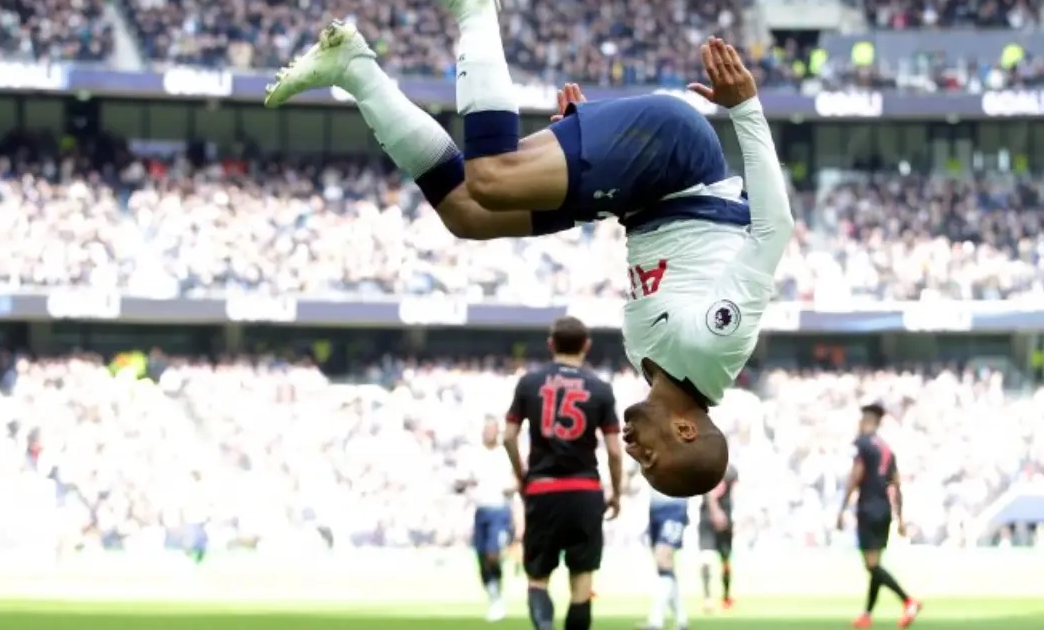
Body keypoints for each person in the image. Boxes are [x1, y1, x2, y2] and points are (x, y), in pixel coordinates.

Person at [264, 7, 794, 498]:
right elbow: (773, 229)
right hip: (675, 157)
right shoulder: (714, 345)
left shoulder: (650, 365)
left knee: (467, 213)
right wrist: (745, 107)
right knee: (494, 177)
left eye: (639, 465)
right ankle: (476, 10)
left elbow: (672, 250)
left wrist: (588, 160)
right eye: (652, 460)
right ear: (686, 430)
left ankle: (353, 68)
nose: (635, 454)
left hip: (637, 194)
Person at [503, 316, 623, 630]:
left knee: (538, 577)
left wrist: (522, 476)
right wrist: (617, 493)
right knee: (582, 580)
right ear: (587, 346)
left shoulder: (529, 383)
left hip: (543, 489)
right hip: (585, 490)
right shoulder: (601, 388)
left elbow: (508, 437)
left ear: (550, 344)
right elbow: (614, 451)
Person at [836, 403, 923, 629]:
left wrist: (842, 508)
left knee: (872, 566)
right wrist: (900, 518)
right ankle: (867, 615)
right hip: (884, 510)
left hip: (868, 508)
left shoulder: (862, 444)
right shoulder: (886, 449)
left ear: (866, 421)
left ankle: (908, 601)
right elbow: (896, 484)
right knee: (875, 564)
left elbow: (856, 475)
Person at [457, 419, 518, 622]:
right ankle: (494, 597)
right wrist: (464, 483)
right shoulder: (474, 454)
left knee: (493, 554)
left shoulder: (505, 454)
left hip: (500, 510)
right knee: (482, 557)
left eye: (492, 430)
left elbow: (519, 477)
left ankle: (498, 593)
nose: (489, 433)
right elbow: (460, 482)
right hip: (480, 510)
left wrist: (513, 487)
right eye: (486, 430)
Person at [641, 487, 690, 630]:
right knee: (664, 566)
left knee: (663, 559)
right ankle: (681, 618)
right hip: (655, 506)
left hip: (675, 506)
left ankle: (656, 620)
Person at [698, 463, 737, 612]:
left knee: (724, 560)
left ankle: (723, 596)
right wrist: (717, 513)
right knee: (710, 559)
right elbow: (711, 493)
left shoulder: (729, 470)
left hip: (722, 520)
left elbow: (734, 494)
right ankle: (715, 598)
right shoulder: (709, 469)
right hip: (711, 520)